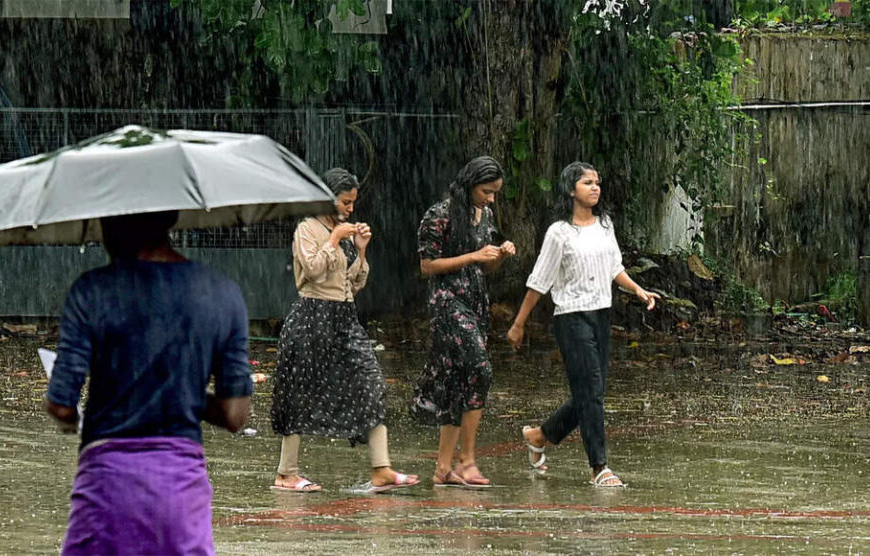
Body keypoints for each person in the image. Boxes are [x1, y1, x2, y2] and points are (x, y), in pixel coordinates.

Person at [45, 210, 253, 555]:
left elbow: (61, 404)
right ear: (169, 220)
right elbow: (235, 414)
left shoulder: (92, 290)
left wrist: (70, 417)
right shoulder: (221, 294)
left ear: (115, 225)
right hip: (180, 491)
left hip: (106, 488)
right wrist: (179, 391)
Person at [506, 161, 659, 487]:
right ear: (571, 189)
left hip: (601, 314)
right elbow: (539, 281)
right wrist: (519, 323)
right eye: (587, 182)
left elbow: (614, 267)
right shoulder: (559, 232)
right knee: (591, 393)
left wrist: (637, 289)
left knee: (592, 392)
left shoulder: (605, 225)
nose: (595, 187)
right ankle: (599, 467)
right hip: (571, 317)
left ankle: (540, 435)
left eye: (597, 182)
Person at [270, 168, 419, 494]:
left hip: (344, 317)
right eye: (345, 202)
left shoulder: (345, 230)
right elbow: (311, 272)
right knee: (299, 392)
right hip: (311, 316)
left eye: (353, 203)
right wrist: (335, 239)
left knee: (371, 382)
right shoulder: (306, 229)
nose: (351, 209)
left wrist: (361, 249)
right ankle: (286, 473)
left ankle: (381, 469)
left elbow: (353, 282)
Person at [411, 155, 517, 488]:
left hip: (475, 301)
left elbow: (484, 268)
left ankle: (445, 469)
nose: (491, 199)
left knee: (458, 381)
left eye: (495, 193)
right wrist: (473, 255)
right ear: (470, 184)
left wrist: (498, 256)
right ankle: (467, 460)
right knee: (480, 370)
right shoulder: (439, 214)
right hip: (447, 302)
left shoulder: (484, 215)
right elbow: (427, 267)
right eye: (487, 191)